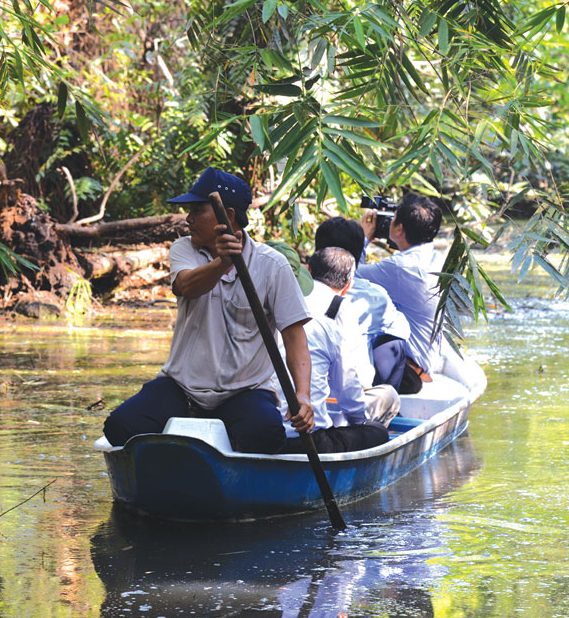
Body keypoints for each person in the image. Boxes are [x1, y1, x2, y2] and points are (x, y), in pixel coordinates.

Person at [102, 168, 314, 454]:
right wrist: (222, 263)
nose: (188, 219)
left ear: (226, 214)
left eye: (197, 210)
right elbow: (185, 286)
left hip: (245, 390)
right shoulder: (184, 249)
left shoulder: (272, 265)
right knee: (120, 427)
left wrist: (302, 395)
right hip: (182, 388)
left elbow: (294, 336)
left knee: (265, 436)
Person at [277, 248, 393, 455]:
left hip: (264, 429)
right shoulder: (330, 321)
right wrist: (360, 423)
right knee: (378, 433)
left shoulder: (266, 314)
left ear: (308, 271)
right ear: (348, 286)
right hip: (309, 438)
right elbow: (348, 389)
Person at [314, 216, 421, 394]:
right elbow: (401, 333)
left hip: (302, 391)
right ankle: (388, 402)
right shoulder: (373, 296)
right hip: (351, 395)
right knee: (393, 337)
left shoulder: (297, 289)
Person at [356, 194, 447, 375]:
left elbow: (349, 275)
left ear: (399, 230)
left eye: (393, 219)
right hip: (428, 359)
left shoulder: (400, 267)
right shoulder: (437, 259)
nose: (388, 223)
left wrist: (364, 237)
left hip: (409, 370)